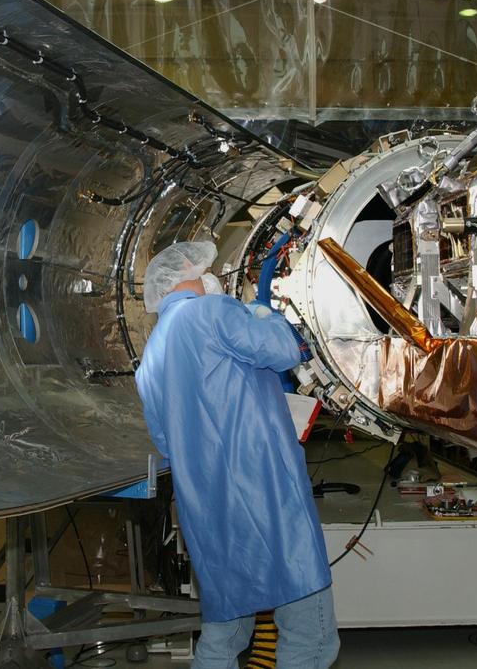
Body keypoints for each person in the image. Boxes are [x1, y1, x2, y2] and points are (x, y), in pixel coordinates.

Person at [134, 241, 339, 669]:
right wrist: (264, 315)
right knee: (310, 634)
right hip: (265, 492)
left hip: (207, 508)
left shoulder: (149, 359)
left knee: (226, 633)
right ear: (188, 272)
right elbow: (284, 351)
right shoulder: (211, 312)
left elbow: (165, 440)